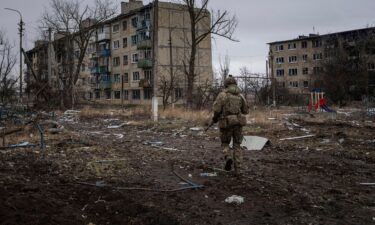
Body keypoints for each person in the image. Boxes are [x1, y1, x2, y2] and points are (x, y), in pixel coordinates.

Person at [212, 75, 248, 174]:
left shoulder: (222, 95)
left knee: (225, 143)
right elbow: (245, 111)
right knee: (237, 145)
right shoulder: (240, 96)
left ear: (226, 84)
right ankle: (238, 169)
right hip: (238, 123)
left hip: (226, 123)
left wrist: (215, 118)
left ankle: (227, 157)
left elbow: (217, 110)